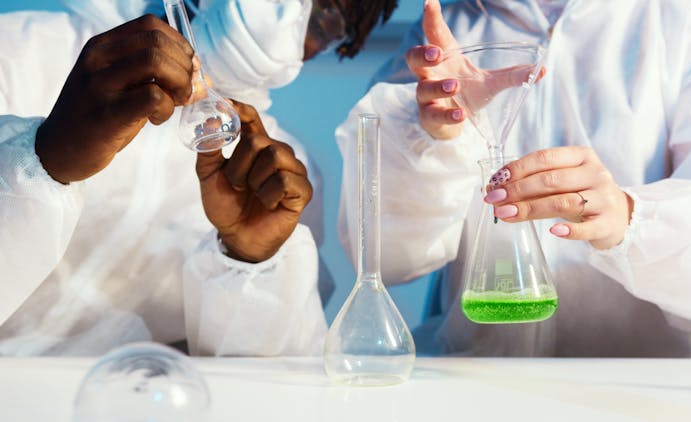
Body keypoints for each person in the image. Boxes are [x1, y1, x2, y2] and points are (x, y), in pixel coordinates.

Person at [337, 0, 691, 357]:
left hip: (654, 390)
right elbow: (381, 255)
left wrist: (628, 219)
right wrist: (432, 137)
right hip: (481, 383)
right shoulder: (450, 34)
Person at [0, 0, 396, 356]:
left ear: (339, 45)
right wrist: (46, 156)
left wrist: (248, 261)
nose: (286, 13)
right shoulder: (19, 48)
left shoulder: (271, 173)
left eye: (326, 18)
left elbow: (275, 385)